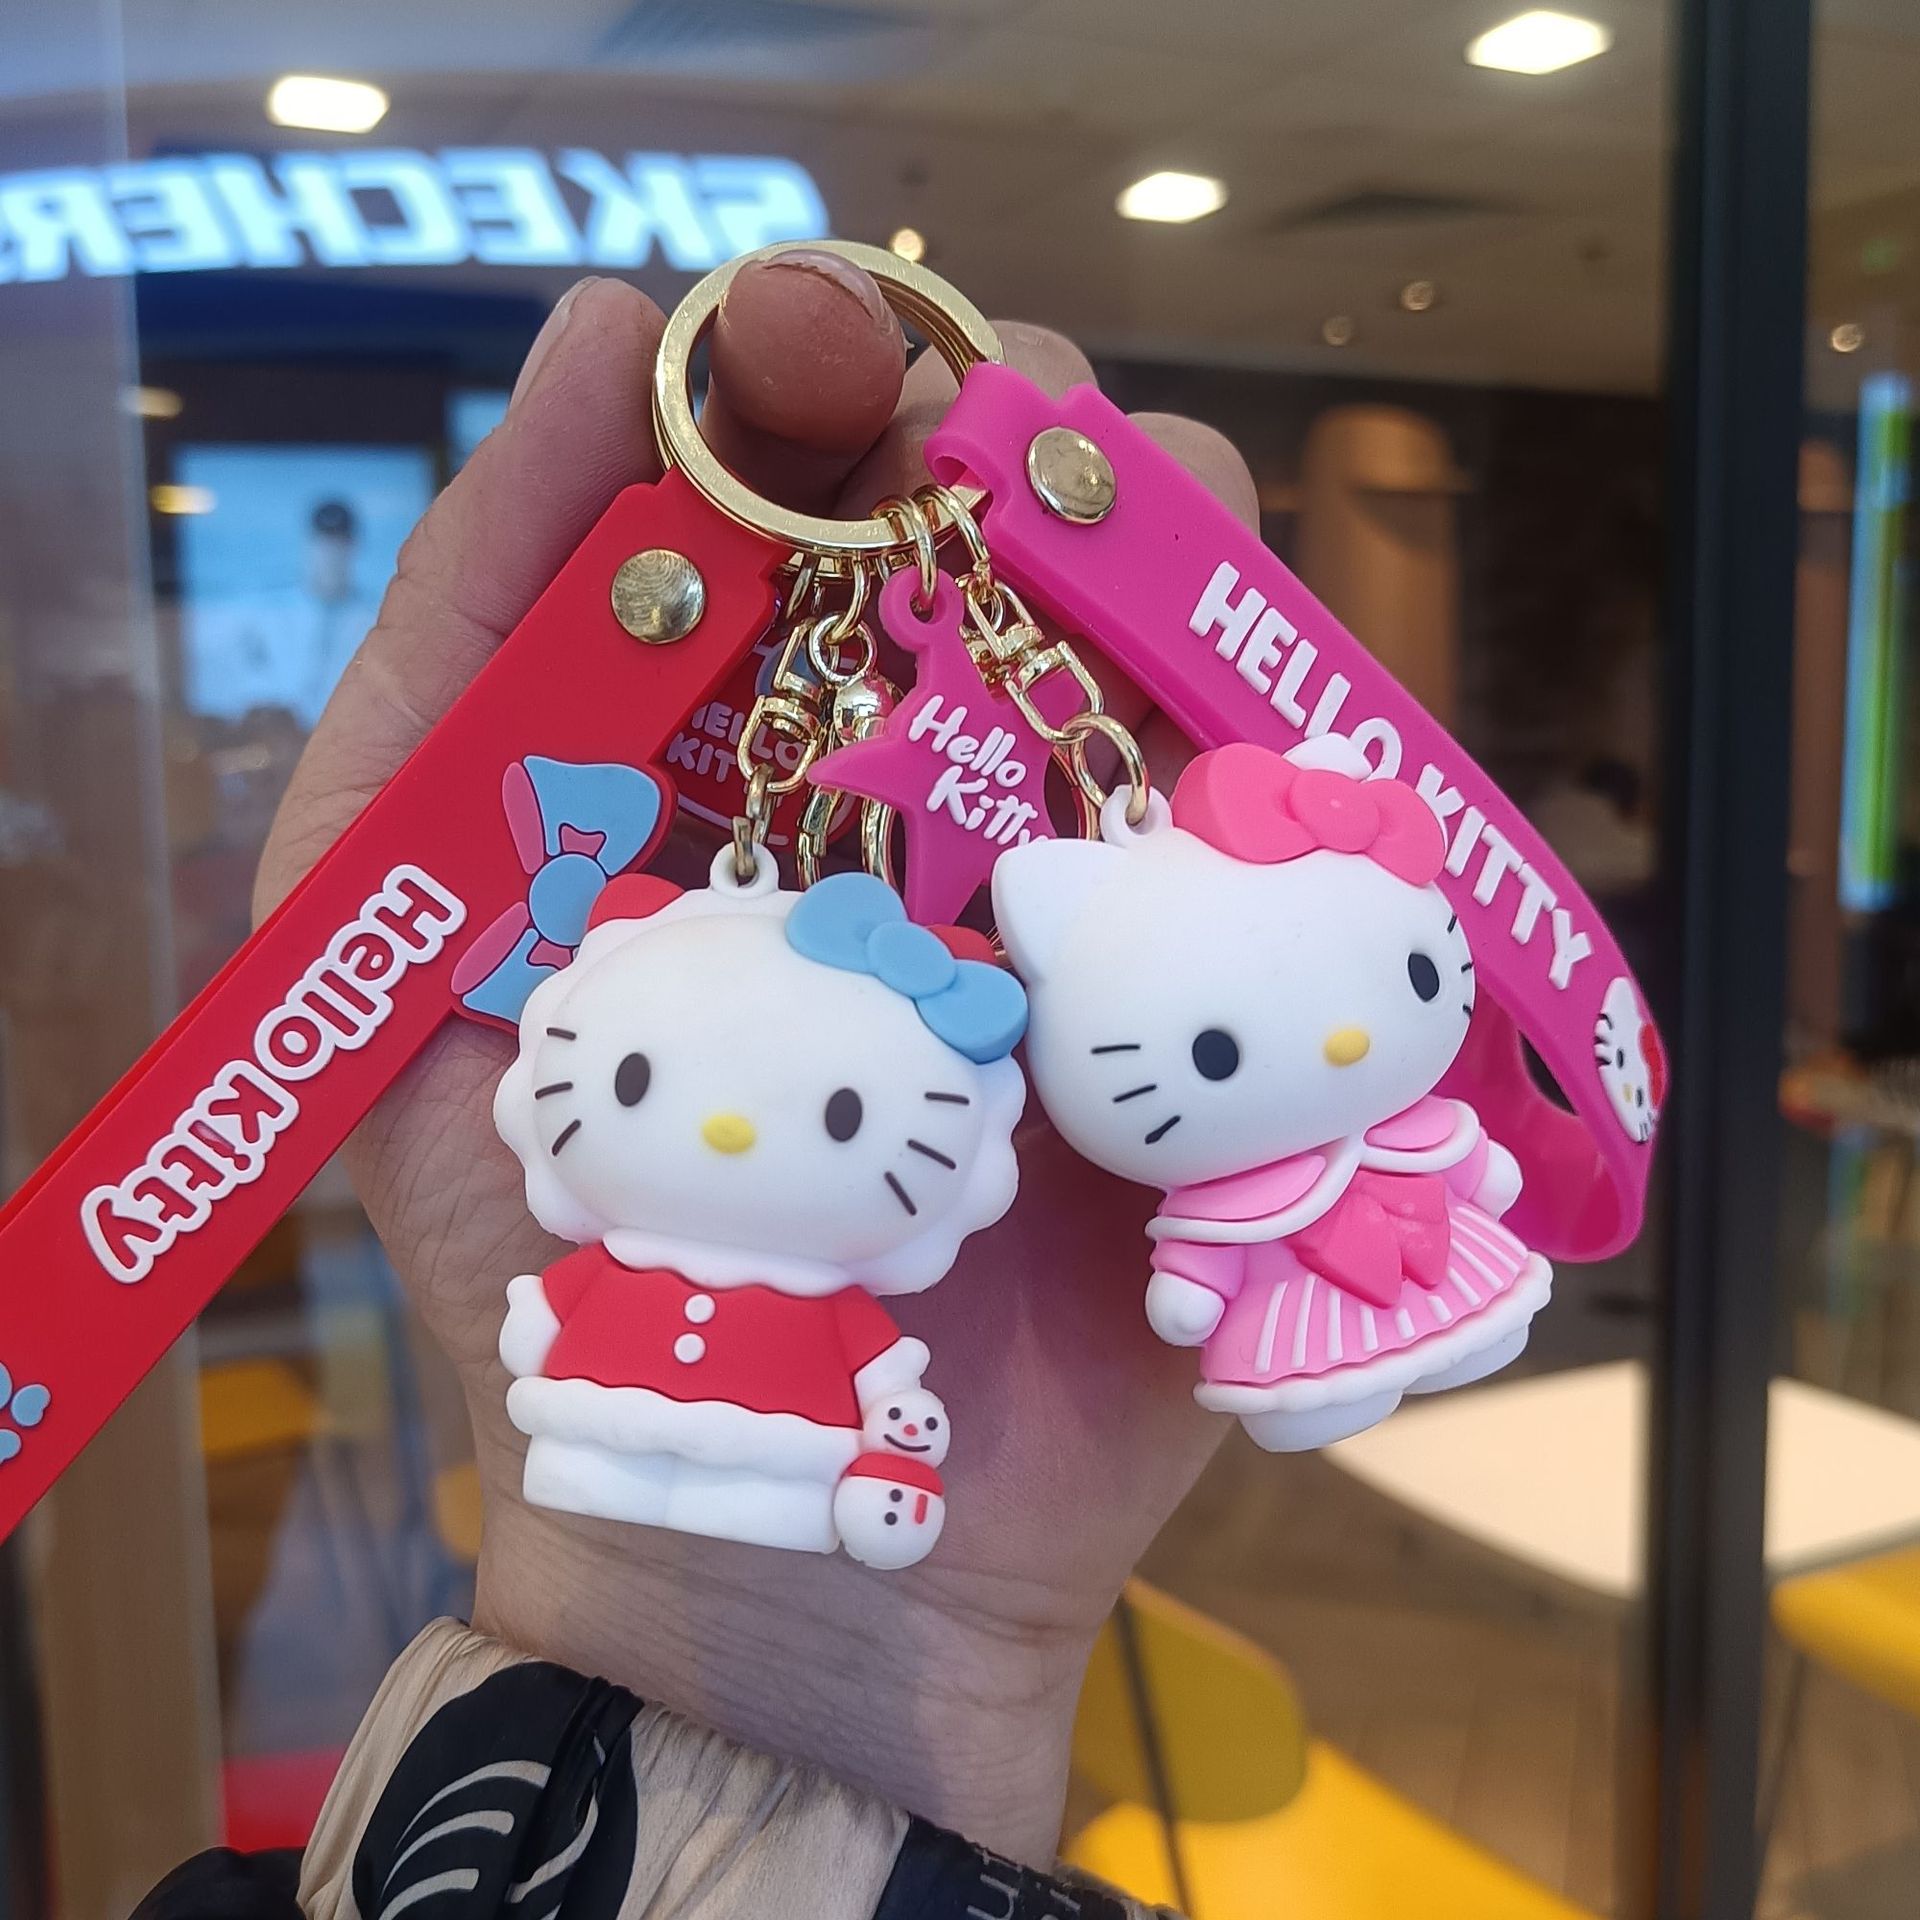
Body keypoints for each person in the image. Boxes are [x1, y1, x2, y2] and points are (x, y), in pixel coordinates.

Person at [137, 250, 1260, 1920]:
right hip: (612, 1439)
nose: (731, 1127)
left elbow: (876, 1395)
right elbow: (590, 1336)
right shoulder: (611, 1206)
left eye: (834, 1118)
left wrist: (893, 1524)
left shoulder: (844, 1272)